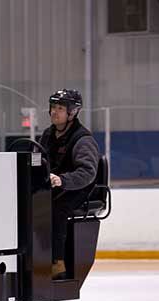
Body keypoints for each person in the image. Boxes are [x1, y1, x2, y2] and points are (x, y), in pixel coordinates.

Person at [38, 89, 100, 280]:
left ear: (72, 112)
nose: (54, 112)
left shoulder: (82, 139)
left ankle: (57, 264)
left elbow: (87, 172)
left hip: (80, 188)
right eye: (52, 107)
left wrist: (63, 180)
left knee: (56, 210)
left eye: (60, 108)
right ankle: (36, 257)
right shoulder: (48, 135)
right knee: (32, 205)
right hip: (55, 185)